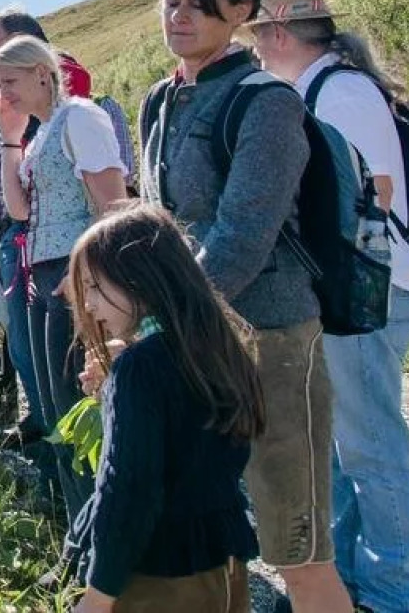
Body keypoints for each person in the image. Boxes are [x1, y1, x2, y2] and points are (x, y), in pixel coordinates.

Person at [140, 0, 353, 613]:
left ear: (240, 12)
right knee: (210, 541)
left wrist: (165, 326)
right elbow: (157, 223)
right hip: (197, 342)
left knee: (298, 552)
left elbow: (244, 234)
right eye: (171, 1)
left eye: (200, 5)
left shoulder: (265, 103)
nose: (179, 16)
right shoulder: (160, 100)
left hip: (272, 341)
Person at [250, 0, 409, 613]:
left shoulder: (340, 93)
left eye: (259, 36)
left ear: (277, 33)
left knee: (371, 448)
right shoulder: (325, 87)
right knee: (339, 449)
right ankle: (350, 585)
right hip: (351, 293)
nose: (257, 50)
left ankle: (393, 594)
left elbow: (372, 193)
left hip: (365, 295)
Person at [66, 204, 263, 613]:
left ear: (138, 279)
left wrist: (98, 595)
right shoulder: (215, 346)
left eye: (95, 287)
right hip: (223, 564)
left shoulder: (139, 369)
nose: (90, 307)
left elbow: (128, 488)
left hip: (159, 577)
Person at [0, 34, 128, 525]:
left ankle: (102, 529)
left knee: (81, 407)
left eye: (9, 81)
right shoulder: (41, 132)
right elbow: (19, 210)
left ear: (42, 74)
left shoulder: (80, 117)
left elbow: (112, 205)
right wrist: (10, 137)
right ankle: (80, 529)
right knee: (55, 410)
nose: (2, 93)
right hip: (43, 276)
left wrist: (92, 279)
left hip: (77, 278)